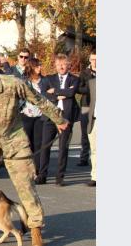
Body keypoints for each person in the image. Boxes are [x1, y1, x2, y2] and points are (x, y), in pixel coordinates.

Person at [0, 50, 68, 246]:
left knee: (26, 187)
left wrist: (59, 119)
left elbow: (39, 100)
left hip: (14, 141)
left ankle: (35, 229)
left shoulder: (13, 83)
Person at [38, 53, 80, 186]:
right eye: (58, 64)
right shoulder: (48, 79)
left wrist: (55, 91)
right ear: (55, 66)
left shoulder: (74, 79)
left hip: (66, 117)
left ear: (68, 65)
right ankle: (42, 175)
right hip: (50, 116)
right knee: (45, 147)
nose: (61, 67)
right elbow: (43, 94)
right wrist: (58, 96)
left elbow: (71, 93)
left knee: (63, 148)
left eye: (64, 64)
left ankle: (59, 177)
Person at [20, 58, 48, 171]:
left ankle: (37, 169)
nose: (39, 68)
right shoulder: (25, 81)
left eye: (40, 65)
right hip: (26, 115)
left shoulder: (45, 81)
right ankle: (28, 168)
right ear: (31, 68)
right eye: (37, 66)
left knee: (38, 143)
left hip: (40, 116)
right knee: (27, 143)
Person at [76, 49, 96, 167]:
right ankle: (84, 157)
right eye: (93, 60)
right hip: (86, 105)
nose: (95, 62)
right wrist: (91, 89)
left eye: (97, 60)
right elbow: (78, 88)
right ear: (89, 60)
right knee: (85, 132)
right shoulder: (84, 73)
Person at [86, 75, 96, 187]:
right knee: (94, 149)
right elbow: (88, 101)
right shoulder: (92, 83)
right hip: (94, 120)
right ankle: (95, 176)